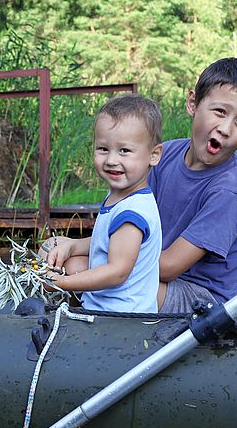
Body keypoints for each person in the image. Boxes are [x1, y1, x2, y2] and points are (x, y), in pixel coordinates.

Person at [149, 57, 237, 313]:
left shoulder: (232, 190)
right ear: (193, 103)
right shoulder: (165, 155)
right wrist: (75, 245)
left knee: (111, 280)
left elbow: (169, 267)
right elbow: (122, 228)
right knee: (75, 266)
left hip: (201, 299)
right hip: (154, 272)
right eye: (220, 111)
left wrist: (111, 264)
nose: (225, 128)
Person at [44, 94, 163, 313]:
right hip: (106, 309)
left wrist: (60, 283)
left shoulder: (132, 212)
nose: (111, 160)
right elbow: (108, 238)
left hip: (121, 319)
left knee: (57, 260)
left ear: (154, 155)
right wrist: (72, 245)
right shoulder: (121, 196)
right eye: (103, 149)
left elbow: (117, 272)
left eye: (124, 151)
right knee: (52, 245)